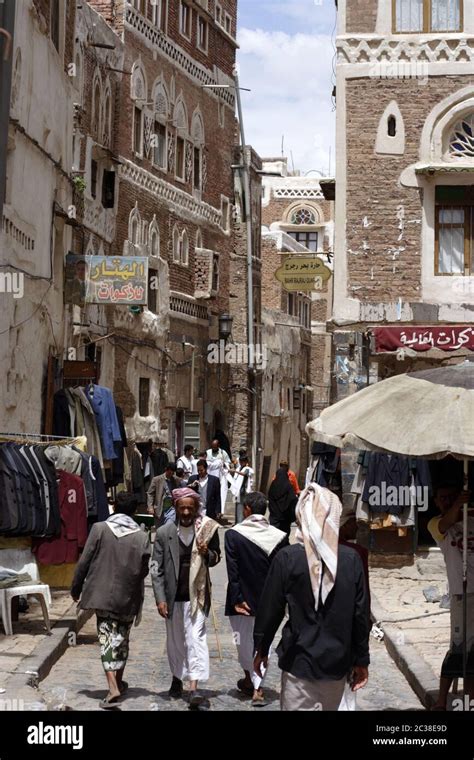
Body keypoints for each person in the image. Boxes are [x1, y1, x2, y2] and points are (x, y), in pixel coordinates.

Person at [253, 483, 370, 711]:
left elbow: (271, 610)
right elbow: (360, 615)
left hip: (299, 663)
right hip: (337, 665)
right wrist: (361, 660)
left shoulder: (287, 559)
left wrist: (261, 648)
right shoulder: (351, 560)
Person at [71, 493, 151, 709]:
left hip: (102, 595)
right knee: (122, 638)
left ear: (114, 506)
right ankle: (119, 681)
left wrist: (76, 588)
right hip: (128, 596)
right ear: (134, 511)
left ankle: (112, 686)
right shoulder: (141, 536)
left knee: (107, 638)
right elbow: (144, 569)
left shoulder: (99, 529)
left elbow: (84, 561)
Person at [151, 487, 220, 709]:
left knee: (195, 637)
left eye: (191, 507)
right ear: (176, 508)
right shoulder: (164, 533)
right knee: (175, 640)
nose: (187, 512)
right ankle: (176, 677)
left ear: (197, 508)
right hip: (173, 597)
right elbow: (156, 569)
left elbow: (216, 558)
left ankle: (194, 687)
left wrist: (206, 552)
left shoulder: (207, 531)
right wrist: (160, 598)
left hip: (197, 596)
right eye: (183, 508)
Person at [225, 491, 287, 706]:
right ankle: (257, 686)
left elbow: (232, 572)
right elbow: (283, 573)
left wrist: (236, 598)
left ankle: (252, 681)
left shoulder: (233, 535)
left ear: (247, 510)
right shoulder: (280, 536)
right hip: (269, 602)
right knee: (263, 643)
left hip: (241, 600)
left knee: (242, 641)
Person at [428, 483, 474, 710]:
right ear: (436, 502)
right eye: (442, 498)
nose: (446, 501)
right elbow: (445, 524)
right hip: (460, 593)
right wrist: (458, 503)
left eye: (450, 497)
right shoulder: (436, 524)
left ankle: (469, 698)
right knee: (458, 647)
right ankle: (441, 700)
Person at [147, 462, 179, 527]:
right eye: (170, 472)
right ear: (166, 470)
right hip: (159, 510)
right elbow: (150, 493)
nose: (171, 474)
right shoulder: (156, 480)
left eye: (173, 473)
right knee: (160, 531)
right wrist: (150, 507)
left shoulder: (175, 480)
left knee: (169, 528)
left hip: (171, 509)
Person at [268, 468, 298, 537]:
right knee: (284, 538)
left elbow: (270, 500)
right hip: (285, 519)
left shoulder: (273, 485)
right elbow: (293, 500)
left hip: (274, 519)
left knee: (274, 538)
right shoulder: (288, 486)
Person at [206, 439, 232, 513]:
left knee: (221, 492)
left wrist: (223, 464)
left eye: (215, 447)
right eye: (212, 447)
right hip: (211, 475)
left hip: (221, 476)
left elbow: (228, 463)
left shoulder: (223, 453)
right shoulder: (208, 452)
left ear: (218, 446)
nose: (213, 449)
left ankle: (221, 510)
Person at [231, 454, 255, 525]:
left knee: (242, 507)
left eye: (242, 461)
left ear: (246, 462)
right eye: (240, 461)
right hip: (238, 490)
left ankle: (241, 522)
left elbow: (244, 474)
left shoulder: (248, 469)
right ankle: (237, 522)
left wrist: (235, 471)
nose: (241, 463)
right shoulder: (239, 468)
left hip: (243, 491)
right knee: (237, 507)